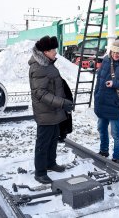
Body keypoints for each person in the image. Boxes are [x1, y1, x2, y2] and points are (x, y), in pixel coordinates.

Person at [28, 35, 74, 184]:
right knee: (43, 142)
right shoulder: (38, 67)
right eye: (53, 49)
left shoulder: (48, 64)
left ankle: (50, 163)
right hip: (46, 112)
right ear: (45, 51)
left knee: (53, 138)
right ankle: (40, 172)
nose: (56, 52)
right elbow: (40, 93)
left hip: (54, 111)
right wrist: (62, 103)